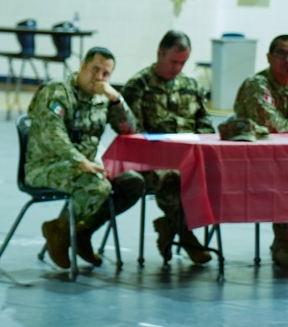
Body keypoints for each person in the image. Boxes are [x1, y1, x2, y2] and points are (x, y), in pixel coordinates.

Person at [25, 46, 145, 269]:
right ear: (82, 67)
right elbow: (53, 134)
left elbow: (129, 129)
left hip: (88, 167)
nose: (98, 78)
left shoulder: (103, 98)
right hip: (47, 164)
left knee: (133, 183)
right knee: (96, 187)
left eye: (106, 74)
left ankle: (82, 232)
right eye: (94, 70)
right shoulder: (58, 91)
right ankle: (59, 231)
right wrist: (79, 160)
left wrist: (116, 99)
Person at [121, 30, 213, 264]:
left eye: (183, 63)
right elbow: (133, 135)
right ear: (159, 53)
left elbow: (205, 125)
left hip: (189, 156)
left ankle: (169, 225)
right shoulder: (138, 86)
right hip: (151, 160)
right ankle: (188, 237)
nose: (178, 68)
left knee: (218, 175)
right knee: (172, 179)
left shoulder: (191, 86)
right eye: (173, 61)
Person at [233, 34, 288, 267]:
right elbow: (272, 124)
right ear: (269, 57)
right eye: (282, 54)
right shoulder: (256, 85)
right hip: (255, 163)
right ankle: (283, 238)